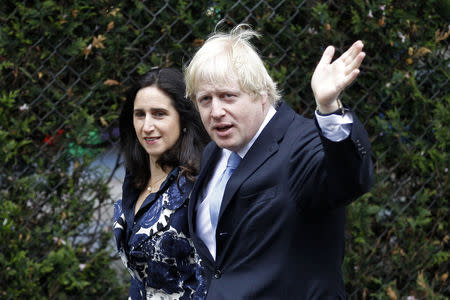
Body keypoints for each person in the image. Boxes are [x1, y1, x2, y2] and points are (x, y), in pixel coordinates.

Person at [184, 24, 374, 299]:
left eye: (228, 96)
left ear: (261, 93)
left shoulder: (304, 143)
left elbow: (351, 177)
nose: (215, 111)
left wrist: (329, 109)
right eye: (205, 100)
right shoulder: (214, 153)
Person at [113, 68, 210, 299]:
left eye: (159, 114)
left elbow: (210, 277)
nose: (147, 126)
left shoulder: (197, 187)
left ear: (182, 118)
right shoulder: (134, 181)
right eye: (140, 114)